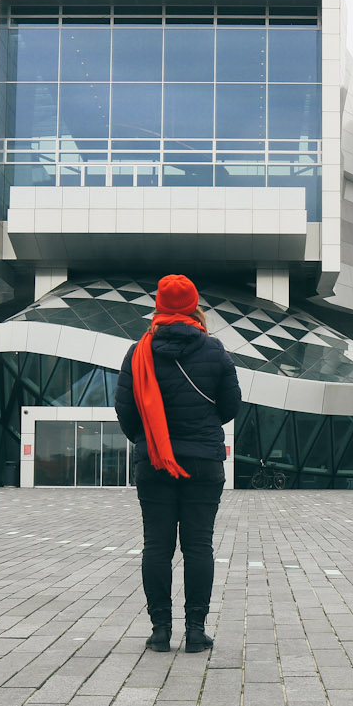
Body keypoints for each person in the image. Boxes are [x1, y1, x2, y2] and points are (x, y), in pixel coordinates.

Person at [114, 274, 241, 653]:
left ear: (159, 306)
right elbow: (230, 407)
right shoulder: (215, 350)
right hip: (203, 461)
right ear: (193, 306)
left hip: (153, 463)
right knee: (198, 545)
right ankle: (197, 631)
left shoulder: (139, 352)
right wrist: (200, 429)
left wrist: (149, 439)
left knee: (157, 546)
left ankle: (160, 631)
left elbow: (126, 411)